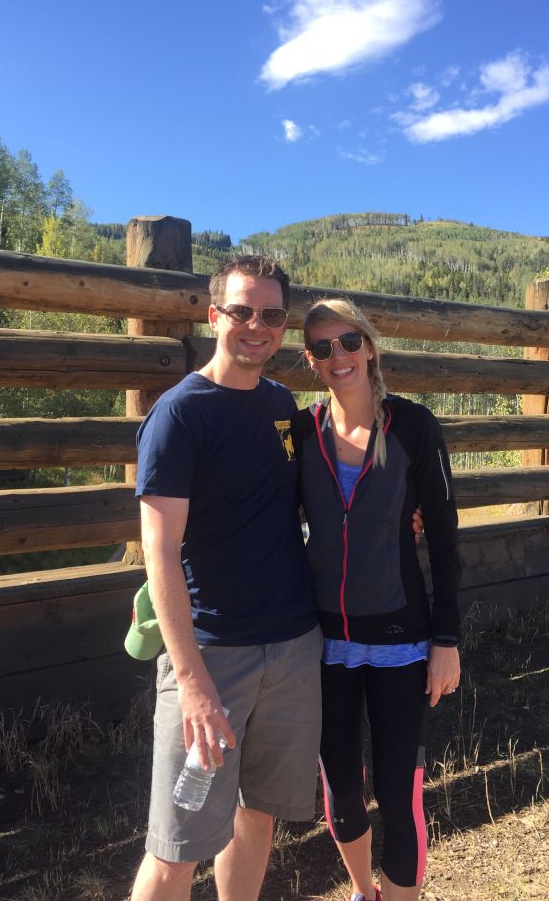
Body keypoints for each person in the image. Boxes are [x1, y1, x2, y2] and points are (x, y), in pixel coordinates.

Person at [130, 256, 323, 901]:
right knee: (176, 846)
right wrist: (191, 683)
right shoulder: (179, 415)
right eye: (241, 311)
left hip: (292, 646)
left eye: (271, 314)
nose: (256, 325)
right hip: (213, 656)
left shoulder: (279, 404)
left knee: (257, 814)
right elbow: (159, 552)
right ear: (214, 316)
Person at [292, 298, 462, 901]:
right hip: (324, 642)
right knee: (340, 789)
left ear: (368, 346)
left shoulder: (413, 426)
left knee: (398, 794)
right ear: (311, 361)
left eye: (347, 341)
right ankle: (364, 891)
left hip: (401, 640)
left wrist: (447, 639)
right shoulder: (301, 432)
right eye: (322, 347)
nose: (337, 356)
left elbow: (444, 538)